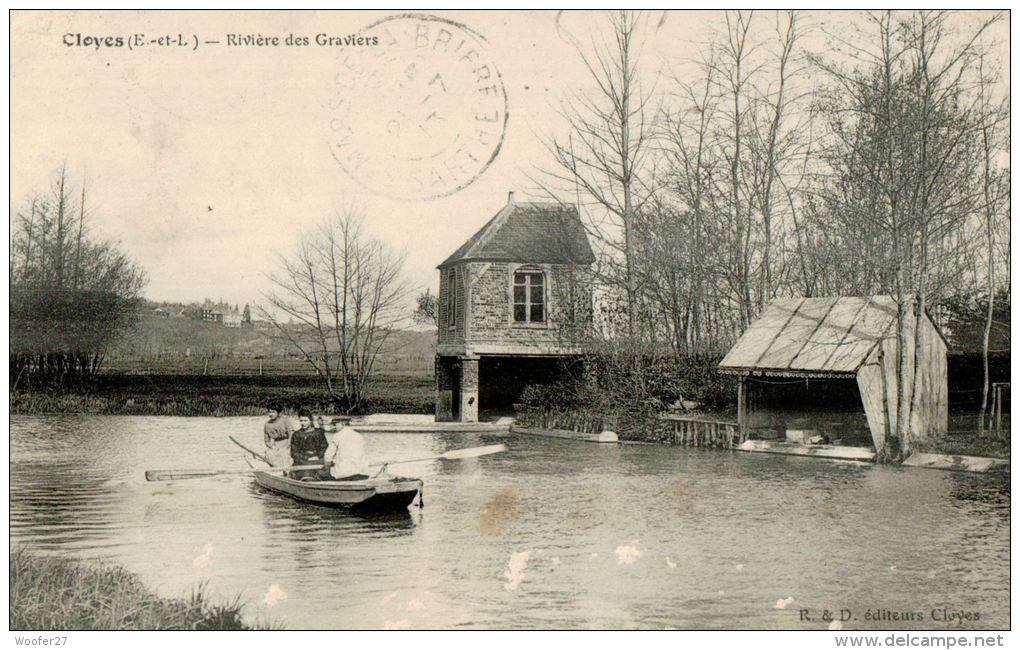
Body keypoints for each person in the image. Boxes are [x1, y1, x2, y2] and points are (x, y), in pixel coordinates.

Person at [320, 415, 369, 481]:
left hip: (343, 474)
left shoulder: (337, 436)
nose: (332, 427)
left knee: (320, 475)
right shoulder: (359, 436)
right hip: (361, 472)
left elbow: (328, 456)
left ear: (342, 424)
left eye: (334, 424)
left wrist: (326, 468)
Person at [289, 409, 328, 480]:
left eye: (305, 420)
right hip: (302, 460)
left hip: (317, 459)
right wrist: (306, 458)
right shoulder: (297, 434)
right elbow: (293, 452)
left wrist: (318, 456)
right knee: (305, 473)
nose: (303, 423)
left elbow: (324, 448)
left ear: (310, 421)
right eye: (301, 421)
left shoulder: (318, 433)